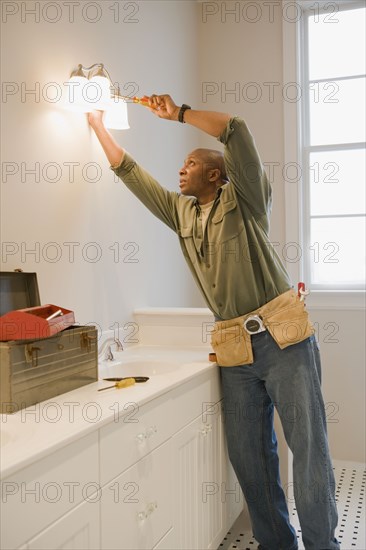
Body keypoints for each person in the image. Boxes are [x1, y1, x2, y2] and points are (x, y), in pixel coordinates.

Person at [88, 95, 340, 550]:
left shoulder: (246, 199)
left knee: (308, 452)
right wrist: (95, 123)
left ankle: (324, 545)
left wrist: (177, 114)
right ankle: (276, 544)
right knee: (250, 459)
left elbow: (236, 128)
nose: (180, 170)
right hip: (233, 349)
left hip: (283, 338)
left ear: (215, 174)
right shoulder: (181, 212)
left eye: (190, 163)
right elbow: (130, 174)